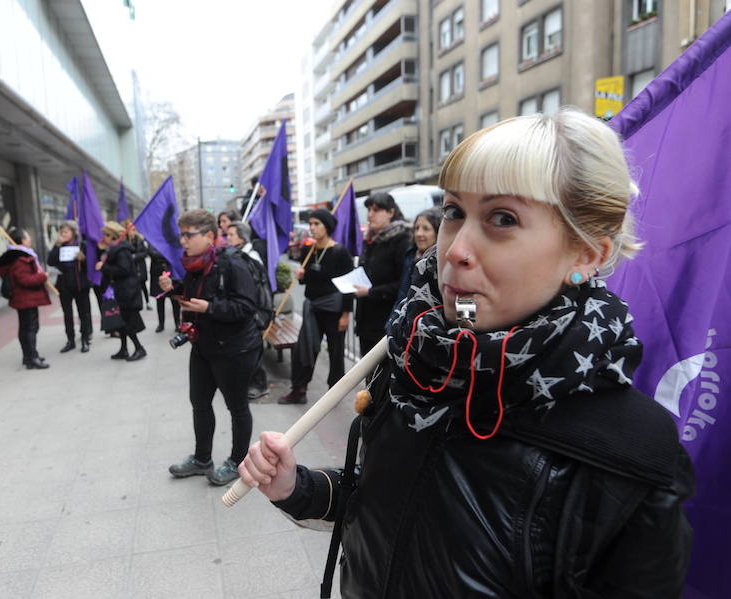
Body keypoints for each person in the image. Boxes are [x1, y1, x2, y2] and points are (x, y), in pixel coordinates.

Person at [239, 110, 694, 598]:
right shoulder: (411, 366)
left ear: (586, 254)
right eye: (454, 211)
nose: (454, 248)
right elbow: (373, 503)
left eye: (503, 218)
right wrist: (296, 487)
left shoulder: (631, 455)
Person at [158, 209, 261, 486]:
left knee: (237, 407)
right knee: (199, 404)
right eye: (182, 235)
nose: (183, 241)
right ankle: (202, 459)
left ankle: (238, 463)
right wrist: (173, 289)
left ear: (209, 236)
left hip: (235, 348)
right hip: (203, 344)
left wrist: (210, 308)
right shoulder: (195, 264)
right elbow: (193, 298)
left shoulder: (233, 263)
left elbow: (246, 307)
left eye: (188, 235)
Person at [278, 209, 354, 405]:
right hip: (312, 309)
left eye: (316, 224)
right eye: (310, 224)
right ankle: (299, 390)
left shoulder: (339, 252)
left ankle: (334, 393)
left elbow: (348, 286)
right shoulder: (309, 250)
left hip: (333, 309)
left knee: (336, 352)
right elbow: (309, 282)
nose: (312, 228)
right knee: (305, 348)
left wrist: (345, 314)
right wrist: (302, 277)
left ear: (327, 227)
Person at [352, 192, 410, 356]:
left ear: (391, 212)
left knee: (381, 377)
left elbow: (404, 284)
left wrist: (370, 292)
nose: (370, 215)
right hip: (366, 321)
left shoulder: (402, 240)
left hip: (386, 323)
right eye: (368, 210)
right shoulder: (372, 238)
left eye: (376, 210)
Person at [0, 227, 50, 369]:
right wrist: (42, 276)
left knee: (26, 328)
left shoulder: (18, 256)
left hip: (23, 298)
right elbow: (25, 280)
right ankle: (32, 358)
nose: (29, 239)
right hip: (25, 298)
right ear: (22, 240)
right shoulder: (20, 259)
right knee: (30, 328)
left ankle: (29, 356)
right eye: (27, 237)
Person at [226, 220, 269, 401]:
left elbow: (255, 288)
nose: (227, 238)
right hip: (247, 310)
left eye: (231, 235)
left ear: (242, 237)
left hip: (255, 311)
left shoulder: (251, 257)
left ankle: (260, 385)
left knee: (254, 351)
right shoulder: (237, 255)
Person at [97, 221, 147, 361]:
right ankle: (124, 349)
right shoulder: (114, 249)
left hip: (127, 292)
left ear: (111, 236)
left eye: (105, 235)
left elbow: (124, 270)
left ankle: (139, 348)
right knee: (121, 323)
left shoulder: (122, 250)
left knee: (128, 323)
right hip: (120, 291)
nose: (103, 238)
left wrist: (104, 267)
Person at [47, 220, 92, 353]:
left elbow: (90, 265)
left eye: (66, 232)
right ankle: (70, 340)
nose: (63, 234)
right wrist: (56, 246)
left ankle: (85, 339)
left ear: (73, 232)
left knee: (83, 313)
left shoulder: (81, 244)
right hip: (64, 284)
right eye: (61, 232)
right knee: (67, 314)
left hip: (80, 284)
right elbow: (50, 261)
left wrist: (83, 260)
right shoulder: (59, 245)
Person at [390, 207, 443, 316]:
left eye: (426, 229)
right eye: (417, 228)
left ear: (438, 233)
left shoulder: (442, 262)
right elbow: (403, 293)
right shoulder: (410, 256)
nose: (419, 233)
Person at [148, 245, 180, 333]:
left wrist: (163, 254)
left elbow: (174, 253)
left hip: (171, 272)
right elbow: (152, 253)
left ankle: (177, 323)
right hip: (157, 274)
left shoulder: (169, 240)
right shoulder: (154, 241)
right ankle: (161, 324)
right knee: (160, 300)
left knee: (175, 300)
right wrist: (165, 254)